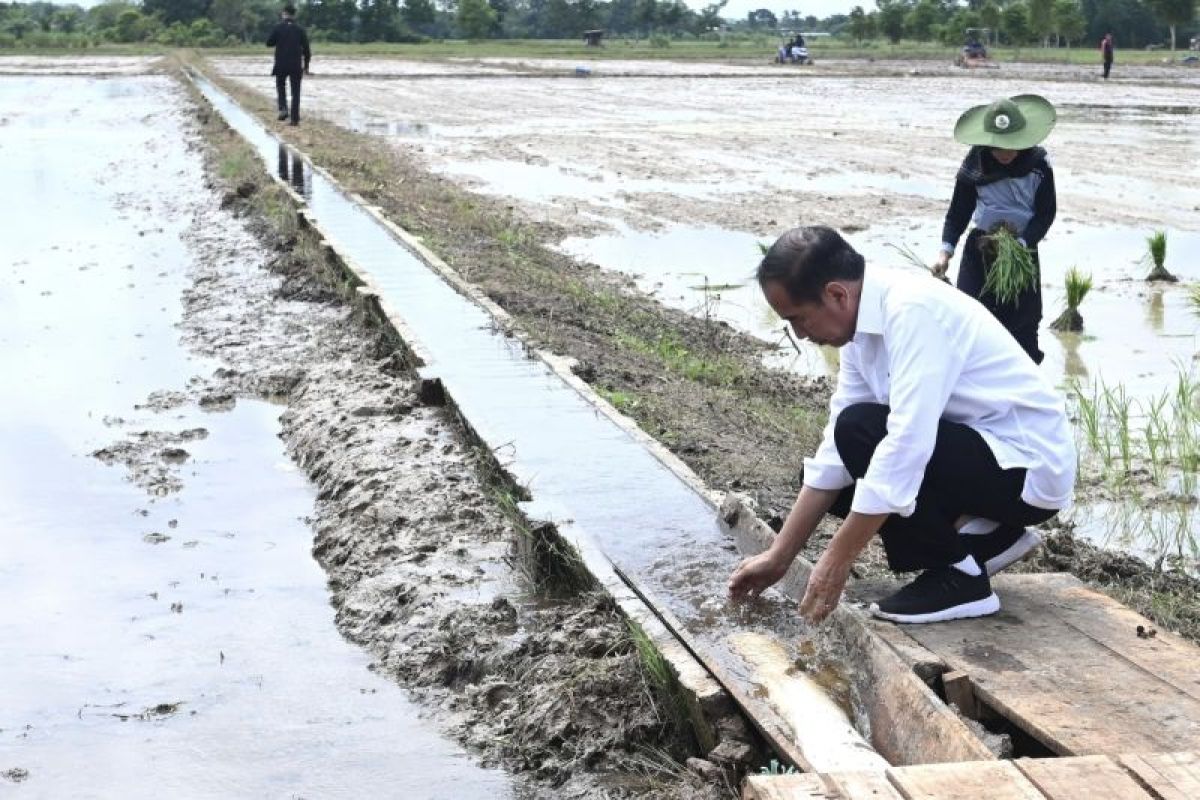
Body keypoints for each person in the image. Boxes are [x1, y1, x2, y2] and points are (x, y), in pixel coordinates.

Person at [728, 227, 1075, 624]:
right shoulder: (860, 329)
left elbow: (907, 443)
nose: (800, 334)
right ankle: (991, 539)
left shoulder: (912, 311)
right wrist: (779, 557)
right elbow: (834, 456)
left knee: (862, 432)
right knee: (844, 467)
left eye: (799, 319)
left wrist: (836, 560)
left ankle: (961, 577)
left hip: (1028, 467)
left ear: (837, 294)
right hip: (981, 456)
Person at [933, 94, 1057, 364]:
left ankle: (1025, 386)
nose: (1004, 153)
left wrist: (1024, 243)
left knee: (1024, 324)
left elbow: (1046, 213)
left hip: (1021, 250)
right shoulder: (974, 165)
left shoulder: (1039, 166)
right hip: (982, 247)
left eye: (1011, 145)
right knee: (972, 317)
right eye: (997, 146)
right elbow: (958, 213)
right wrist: (945, 251)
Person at [266, 4, 311, 126]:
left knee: (281, 85)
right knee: (296, 91)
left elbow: (269, 43)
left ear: (284, 13)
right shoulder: (300, 29)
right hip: (296, 64)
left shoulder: (278, 27)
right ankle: (295, 119)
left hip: (281, 63)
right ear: (294, 15)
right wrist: (306, 66)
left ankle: (283, 108)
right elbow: (307, 49)